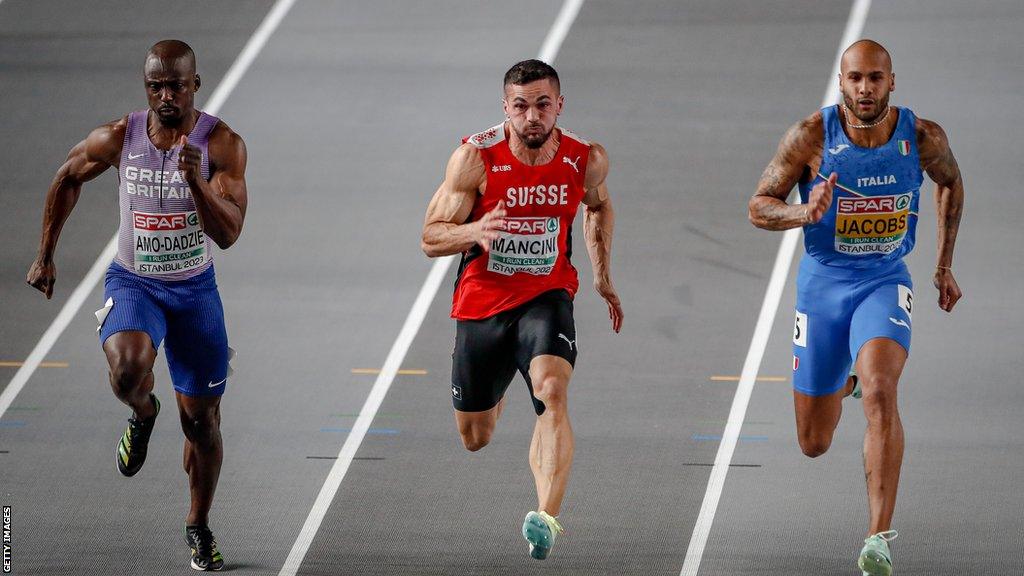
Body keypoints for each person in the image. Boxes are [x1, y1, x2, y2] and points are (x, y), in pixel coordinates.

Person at [26, 39, 248, 572]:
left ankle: (197, 525)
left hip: (195, 292)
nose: (166, 96)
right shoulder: (119, 137)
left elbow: (231, 233)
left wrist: (195, 181)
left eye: (176, 85)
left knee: (202, 426)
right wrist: (46, 256)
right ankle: (144, 414)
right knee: (128, 373)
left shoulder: (222, 144)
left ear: (196, 84)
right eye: (156, 87)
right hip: (135, 282)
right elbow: (66, 177)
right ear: (145, 87)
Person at [748, 39, 963, 576]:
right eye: (855, 79)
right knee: (814, 442)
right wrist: (803, 212)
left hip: (884, 281)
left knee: (883, 389)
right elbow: (757, 206)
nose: (865, 89)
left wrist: (942, 266)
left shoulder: (924, 136)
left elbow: (951, 183)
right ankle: (839, 382)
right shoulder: (811, 136)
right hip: (822, 287)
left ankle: (877, 537)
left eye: (875, 78)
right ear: (840, 83)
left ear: (892, 81)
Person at [421, 59, 623, 560]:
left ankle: (547, 518)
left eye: (542, 104)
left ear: (559, 105)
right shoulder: (473, 159)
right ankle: (499, 385)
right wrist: (474, 231)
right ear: (505, 109)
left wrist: (600, 275)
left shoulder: (584, 158)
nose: (532, 116)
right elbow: (430, 238)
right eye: (521, 106)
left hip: (546, 296)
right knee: (475, 436)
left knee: (552, 392)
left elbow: (597, 207)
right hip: (483, 300)